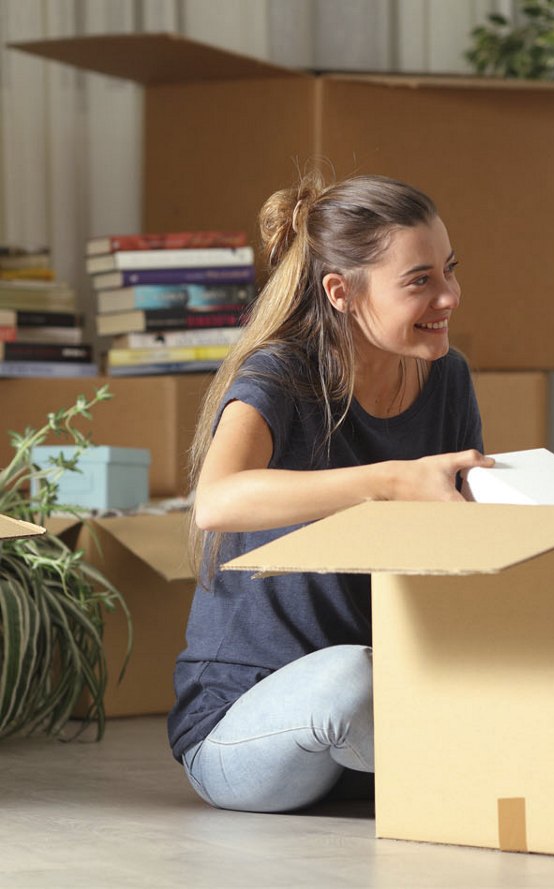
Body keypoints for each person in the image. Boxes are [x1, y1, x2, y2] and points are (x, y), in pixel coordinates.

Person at [167, 170, 494, 813]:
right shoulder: (281, 372)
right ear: (341, 292)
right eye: (420, 281)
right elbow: (217, 500)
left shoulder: (447, 378)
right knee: (351, 680)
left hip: (379, 717)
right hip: (248, 729)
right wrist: (393, 481)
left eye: (449, 271)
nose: (450, 296)